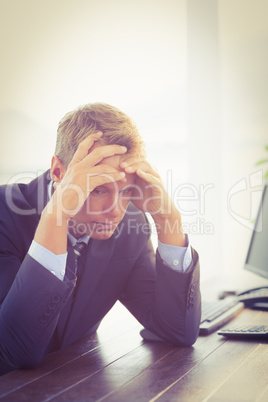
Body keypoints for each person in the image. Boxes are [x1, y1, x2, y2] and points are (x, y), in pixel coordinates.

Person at [0, 103, 201, 375]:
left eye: (127, 190)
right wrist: (56, 216)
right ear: (58, 172)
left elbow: (178, 332)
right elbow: (12, 352)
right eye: (97, 189)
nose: (115, 210)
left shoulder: (131, 225)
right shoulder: (5, 215)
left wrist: (168, 219)